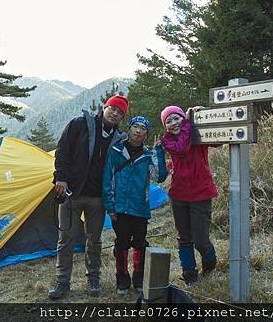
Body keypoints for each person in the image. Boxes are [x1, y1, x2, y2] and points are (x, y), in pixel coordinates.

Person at [49, 95, 129, 300]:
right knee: (65, 239)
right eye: (113, 108)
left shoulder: (119, 139)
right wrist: (61, 178)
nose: (115, 113)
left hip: (97, 199)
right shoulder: (80, 125)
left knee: (94, 240)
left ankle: (93, 278)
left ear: (121, 118)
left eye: (120, 112)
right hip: (71, 193)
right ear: (104, 107)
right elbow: (62, 151)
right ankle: (62, 281)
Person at [102, 116, 168, 294]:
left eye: (143, 128)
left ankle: (139, 279)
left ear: (146, 134)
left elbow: (159, 176)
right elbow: (107, 179)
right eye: (135, 126)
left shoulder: (147, 155)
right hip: (120, 207)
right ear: (129, 129)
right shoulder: (116, 151)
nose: (138, 131)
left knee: (139, 243)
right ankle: (122, 281)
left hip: (140, 207)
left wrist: (158, 152)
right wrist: (110, 206)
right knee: (121, 244)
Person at [160, 105, 219, 285]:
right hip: (178, 195)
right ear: (165, 127)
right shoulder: (167, 141)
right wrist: (188, 121)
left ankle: (210, 263)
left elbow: (218, 140)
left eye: (176, 118)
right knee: (184, 237)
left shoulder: (196, 134)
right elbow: (183, 147)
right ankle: (189, 274)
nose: (173, 123)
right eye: (168, 121)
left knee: (201, 240)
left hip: (201, 193)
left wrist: (201, 118)